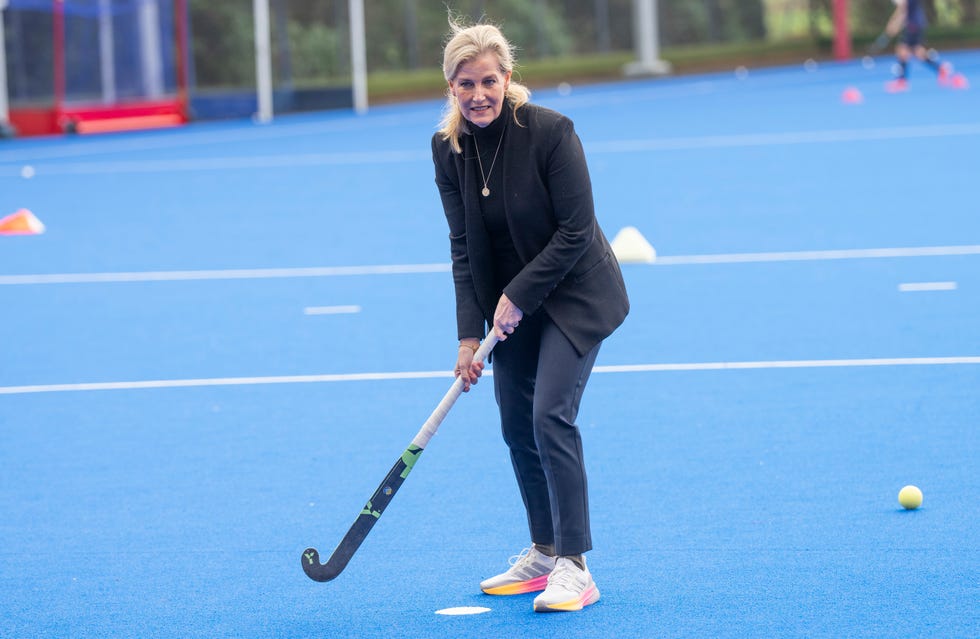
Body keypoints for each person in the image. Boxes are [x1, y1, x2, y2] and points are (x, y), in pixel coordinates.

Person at [431, 20, 629, 613]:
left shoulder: (550, 132)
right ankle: (544, 552)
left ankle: (575, 565)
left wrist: (518, 294)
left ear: (507, 78)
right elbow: (463, 246)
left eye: (488, 81)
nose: (478, 95)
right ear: (451, 86)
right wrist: (468, 337)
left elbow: (576, 230)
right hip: (509, 307)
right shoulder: (448, 149)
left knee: (549, 416)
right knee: (516, 423)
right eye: (466, 84)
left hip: (575, 294)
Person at [884, 0, 954, 92]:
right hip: (915, 23)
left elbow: (903, 9)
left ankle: (901, 80)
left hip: (913, 24)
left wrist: (895, 24)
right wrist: (893, 23)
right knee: (918, 52)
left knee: (903, 50)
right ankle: (941, 69)